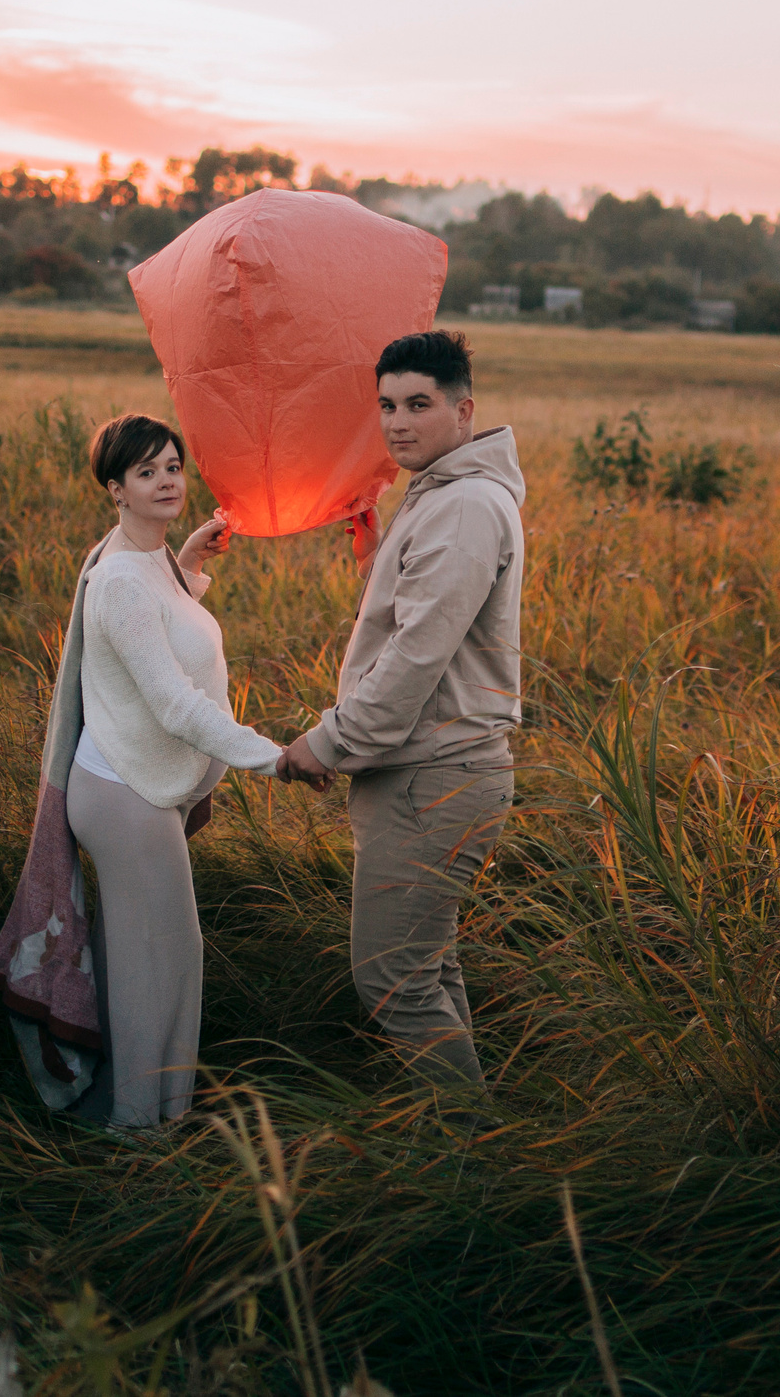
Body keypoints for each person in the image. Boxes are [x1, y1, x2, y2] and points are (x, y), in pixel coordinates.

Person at [0, 414, 284, 1128]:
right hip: (124, 795)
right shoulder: (119, 577)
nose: (167, 480)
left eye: (173, 466)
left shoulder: (146, 559)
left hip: (134, 787)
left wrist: (189, 564)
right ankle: (144, 1133)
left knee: (142, 960)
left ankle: (124, 1105)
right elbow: (174, 702)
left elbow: (159, 621)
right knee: (165, 966)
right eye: (146, 472)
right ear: (114, 487)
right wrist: (276, 757)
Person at [277, 330, 525, 1095]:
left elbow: (418, 657)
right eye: (386, 405)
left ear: (463, 409)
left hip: (433, 776)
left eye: (418, 404)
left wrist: (329, 741)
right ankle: (467, 1142)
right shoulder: (449, 497)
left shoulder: (463, 507)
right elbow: (430, 622)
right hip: (428, 771)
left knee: (391, 977)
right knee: (424, 966)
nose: (397, 422)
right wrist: (379, 558)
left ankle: (467, 1146)